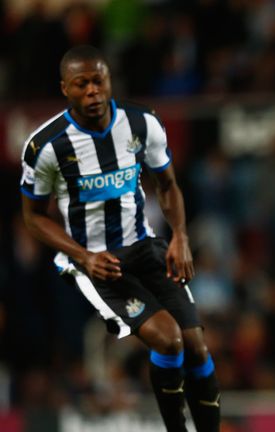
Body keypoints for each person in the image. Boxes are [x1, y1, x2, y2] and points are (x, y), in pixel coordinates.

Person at [19, 45, 220, 432]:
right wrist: (83, 256)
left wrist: (180, 236)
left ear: (109, 80)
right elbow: (33, 219)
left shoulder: (142, 124)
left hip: (146, 246)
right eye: (82, 84)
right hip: (97, 263)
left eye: (99, 80)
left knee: (197, 347)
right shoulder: (46, 146)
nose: (92, 91)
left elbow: (168, 185)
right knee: (169, 341)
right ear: (66, 89)